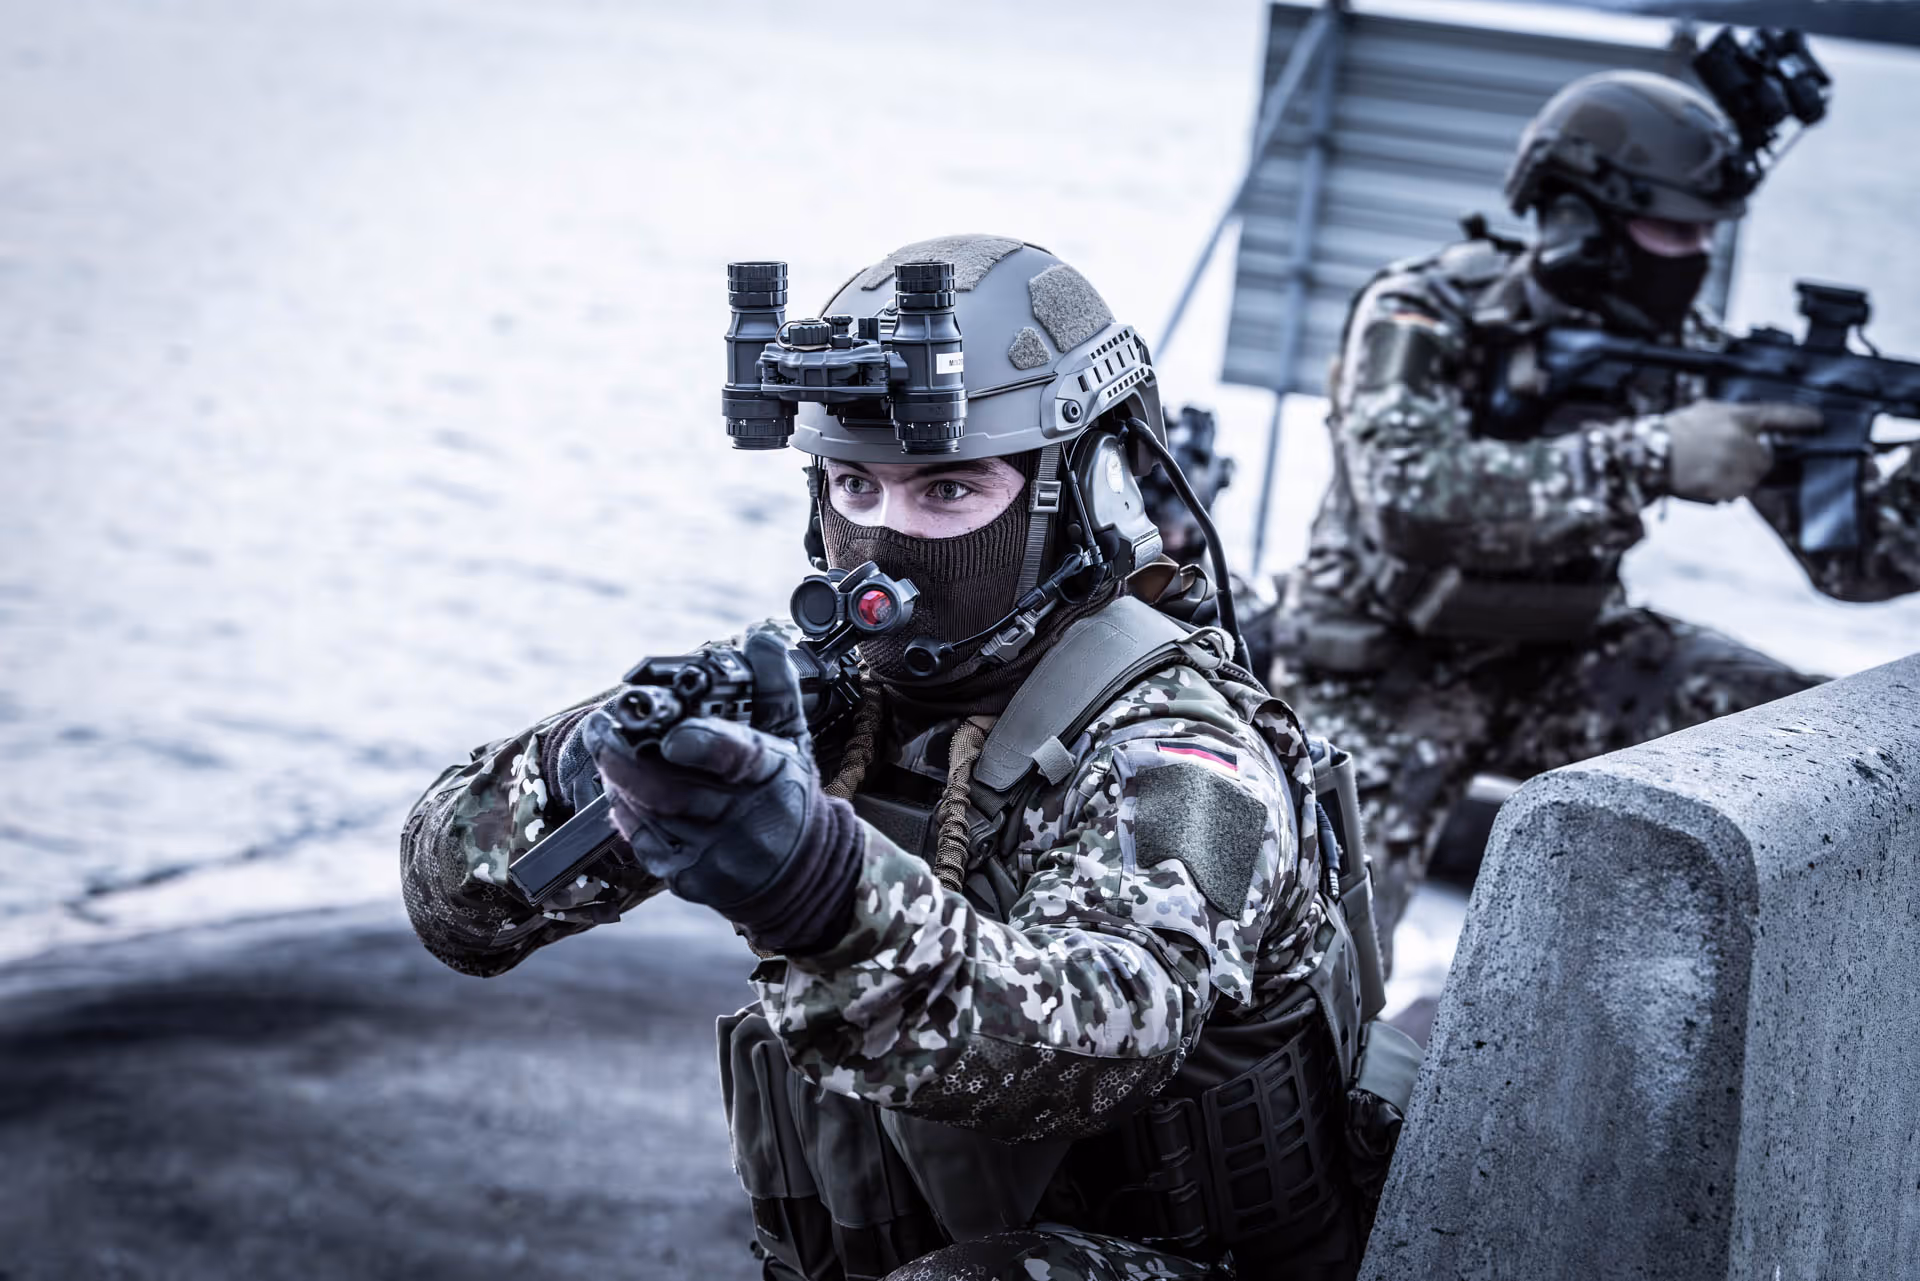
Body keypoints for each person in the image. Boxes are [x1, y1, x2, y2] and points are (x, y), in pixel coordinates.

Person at [399, 235, 1419, 1281]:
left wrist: (818, 891)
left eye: (948, 491)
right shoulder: (843, 690)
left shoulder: (1182, 750)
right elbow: (454, 912)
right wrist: (593, 771)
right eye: (855, 486)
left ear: (1085, 494)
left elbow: (1092, 1047)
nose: (885, 542)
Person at [1274, 71, 1920, 973]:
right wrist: (1652, 455)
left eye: (1708, 231)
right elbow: (1410, 501)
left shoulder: (1688, 352)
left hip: (1566, 659)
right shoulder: (1424, 310)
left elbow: (1858, 563)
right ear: (1582, 219)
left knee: (1823, 759)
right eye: (1677, 229)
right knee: (1314, 956)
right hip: (1381, 671)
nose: (1698, 252)